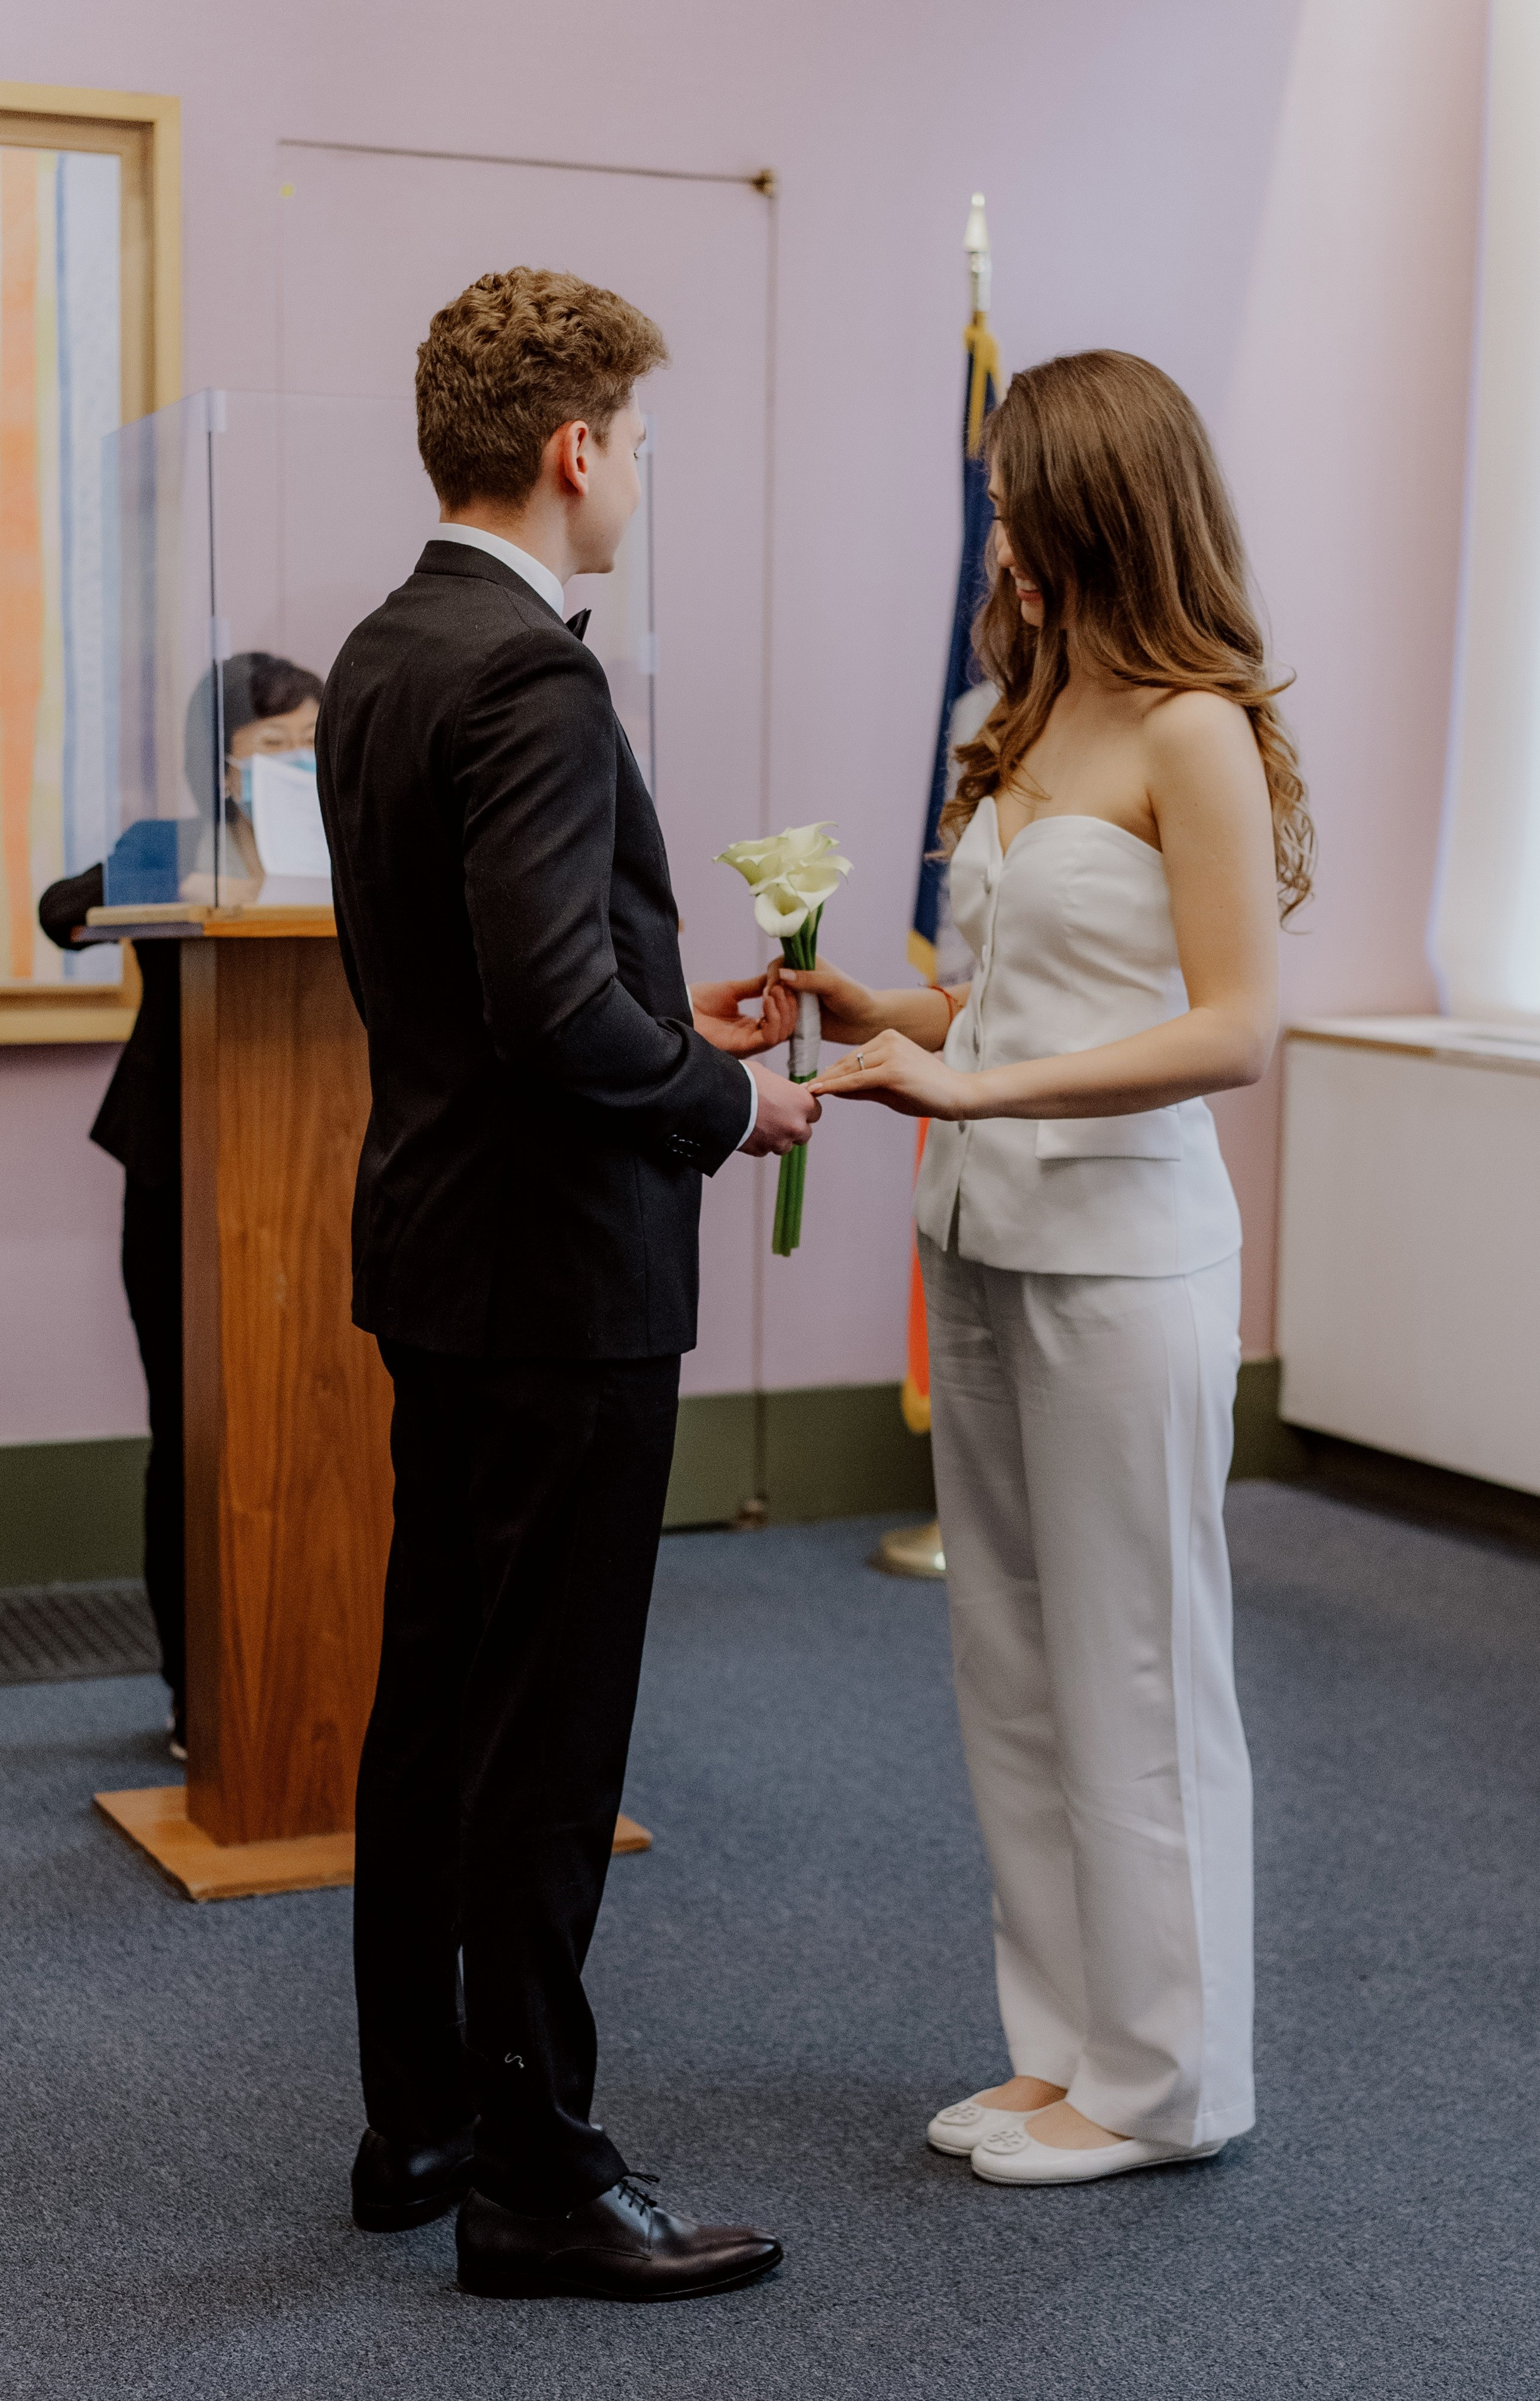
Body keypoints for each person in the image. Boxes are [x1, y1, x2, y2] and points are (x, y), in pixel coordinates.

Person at [317, 267, 811, 2300]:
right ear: (575, 449)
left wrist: (639, 1006)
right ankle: (534, 2167)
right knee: (546, 1734)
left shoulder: (380, 647)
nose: (644, 478)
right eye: (642, 442)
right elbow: (542, 1013)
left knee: (436, 1696)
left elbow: (489, 977)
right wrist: (727, 1095)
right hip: (559, 1284)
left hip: (445, 1253)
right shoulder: (534, 676)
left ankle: (417, 2112)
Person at [793, 350, 1312, 2186]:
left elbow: (1238, 1029)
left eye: (1014, 492)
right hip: (986, 1242)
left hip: (1126, 1259)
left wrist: (979, 1075)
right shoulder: (1017, 722)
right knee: (1010, 1661)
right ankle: (1067, 2048)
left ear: (1100, 496)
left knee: (1142, 1668)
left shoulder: (1197, 728)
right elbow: (1005, 998)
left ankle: (1171, 2083)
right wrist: (896, 1009)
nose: (995, 523)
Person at [38, 653, 326, 1760]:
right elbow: (62, 911)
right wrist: (181, 890)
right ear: (225, 762)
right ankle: (193, 1689)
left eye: (312, 741)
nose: (298, 763)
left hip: (310, 1174)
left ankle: (312, 1669)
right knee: (191, 1433)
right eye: (274, 746)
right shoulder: (180, 847)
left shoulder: (352, 848)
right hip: (178, 1170)